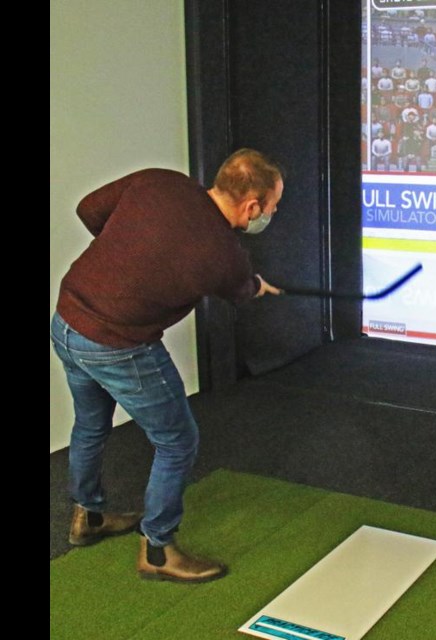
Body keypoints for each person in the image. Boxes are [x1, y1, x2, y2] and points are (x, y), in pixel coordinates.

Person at [51, 149, 285, 583]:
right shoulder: (223, 254)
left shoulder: (160, 181)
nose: (269, 213)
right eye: (271, 206)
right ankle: (158, 551)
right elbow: (238, 289)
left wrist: (125, 254)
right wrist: (256, 286)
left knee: (90, 423)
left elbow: (89, 209)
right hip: (115, 343)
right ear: (251, 207)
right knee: (177, 440)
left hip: (66, 319)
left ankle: (89, 517)